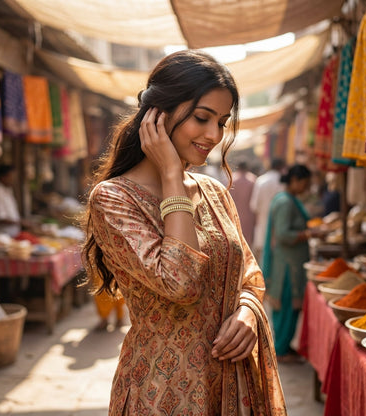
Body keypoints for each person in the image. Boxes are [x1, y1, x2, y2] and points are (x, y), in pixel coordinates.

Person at [82, 50, 286, 415]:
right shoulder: (113, 199)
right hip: (163, 391)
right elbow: (181, 282)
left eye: (221, 122)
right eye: (202, 118)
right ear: (157, 115)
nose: (214, 135)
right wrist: (173, 176)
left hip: (233, 383)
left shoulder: (215, 193)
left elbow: (249, 276)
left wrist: (248, 312)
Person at [261, 164, 312, 363]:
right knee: (286, 307)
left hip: (289, 263)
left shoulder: (288, 200)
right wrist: (307, 234)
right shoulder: (285, 203)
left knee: (289, 308)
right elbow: (282, 234)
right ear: (295, 181)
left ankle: (284, 346)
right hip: (287, 267)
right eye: (305, 184)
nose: (306, 188)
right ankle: (281, 349)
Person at [250, 158, 285, 263]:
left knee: (262, 260)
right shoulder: (282, 181)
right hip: (280, 227)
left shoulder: (261, 180)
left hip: (263, 225)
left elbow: (254, 206)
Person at [229, 159, 257, 247]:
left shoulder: (231, 179)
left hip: (233, 214)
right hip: (249, 216)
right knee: (247, 243)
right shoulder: (253, 180)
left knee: (234, 241)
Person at [0, 164, 21, 237]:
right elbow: (0, 218)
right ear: (3, 177)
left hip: (12, 235)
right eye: (11, 177)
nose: (13, 179)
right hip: (1, 236)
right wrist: (22, 222)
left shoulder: (7, 190)